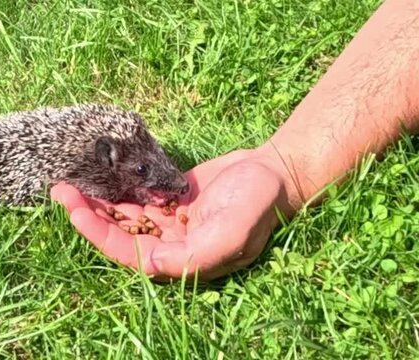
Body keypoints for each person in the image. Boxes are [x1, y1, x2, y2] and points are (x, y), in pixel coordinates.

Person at [51, 0, 419, 282]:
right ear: (107, 159)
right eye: (143, 169)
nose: (177, 181)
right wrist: (284, 165)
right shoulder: (87, 167)